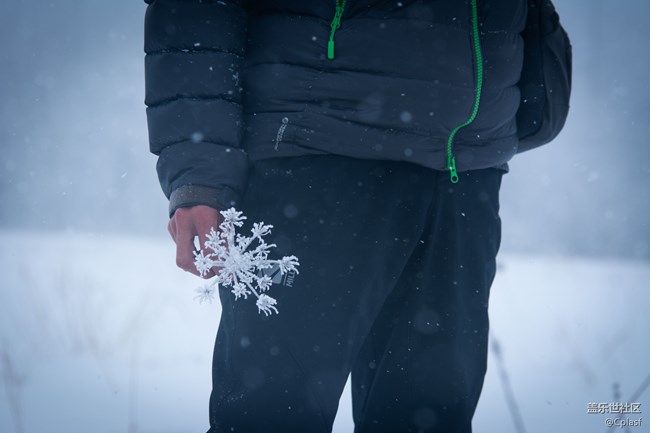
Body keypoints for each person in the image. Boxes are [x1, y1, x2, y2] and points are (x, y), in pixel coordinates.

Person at [143, 1, 526, 432]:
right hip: (315, 156)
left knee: (430, 421)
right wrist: (197, 170)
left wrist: (534, 90)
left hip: (464, 172)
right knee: (270, 419)